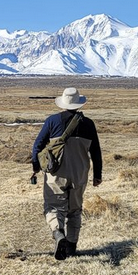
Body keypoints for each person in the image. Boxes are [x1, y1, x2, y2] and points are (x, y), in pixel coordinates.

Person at [30, 86, 102, 260]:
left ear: (62, 103)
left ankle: (58, 233)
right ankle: (71, 247)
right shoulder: (88, 124)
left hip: (56, 174)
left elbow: (37, 146)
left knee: (54, 207)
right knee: (75, 210)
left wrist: (35, 167)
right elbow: (96, 152)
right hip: (80, 174)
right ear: (79, 104)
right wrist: (97, 175)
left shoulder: (52, 121)